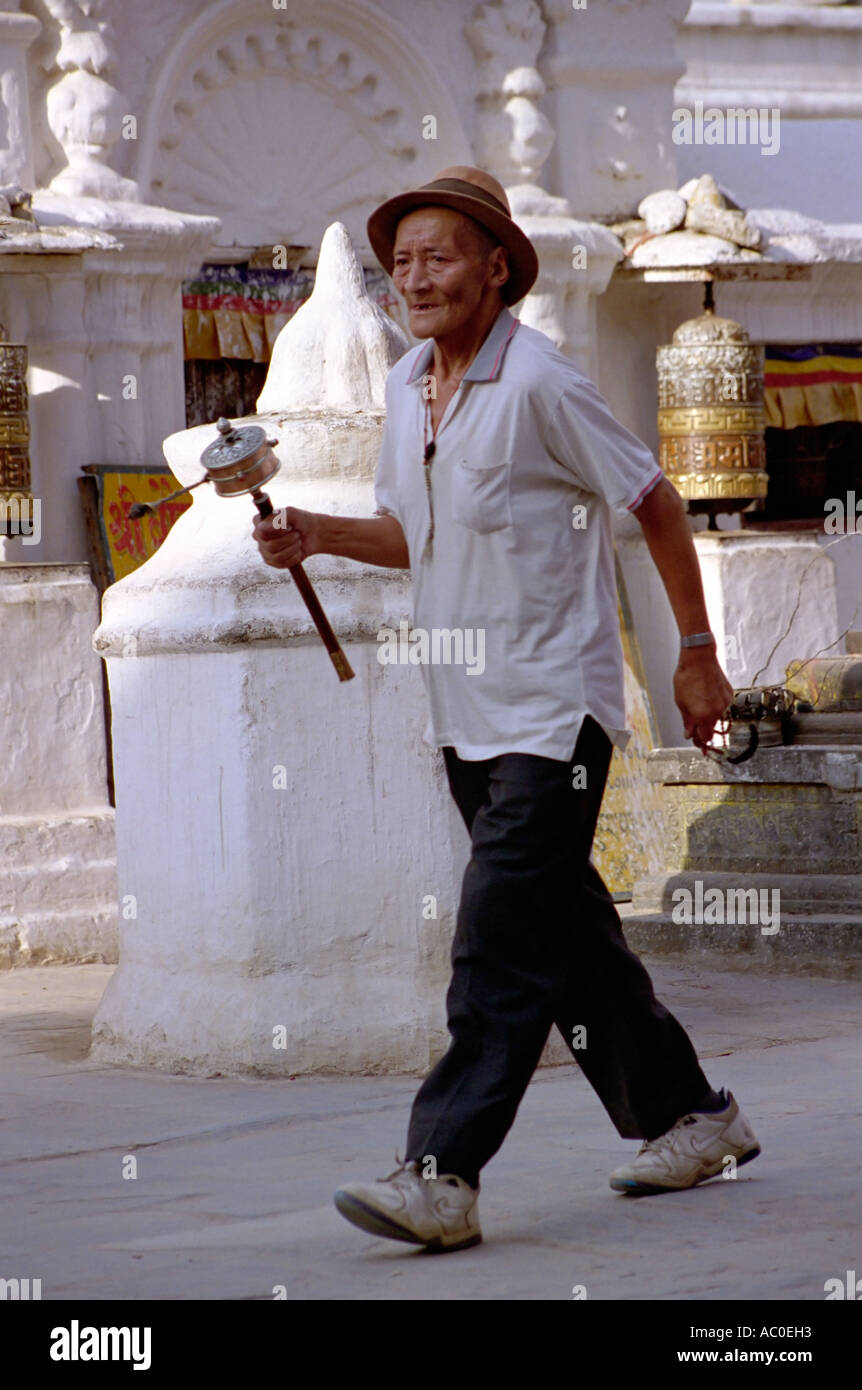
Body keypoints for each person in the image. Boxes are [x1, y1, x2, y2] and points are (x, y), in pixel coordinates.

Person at [252, 166, 760, 1254]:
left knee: (494, 940)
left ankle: (443, 1173)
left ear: (495, 269)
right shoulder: (403, 388)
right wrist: (315, 532)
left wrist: (697, 653)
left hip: (551, 712)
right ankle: (694, 1117)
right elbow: (417, 532)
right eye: (400, 264)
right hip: (463, 711)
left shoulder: (540, 381)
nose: (416, 278)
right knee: (566, 941)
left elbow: (653, 500)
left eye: (439, 257)